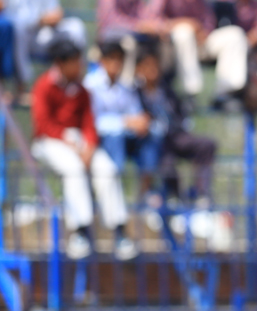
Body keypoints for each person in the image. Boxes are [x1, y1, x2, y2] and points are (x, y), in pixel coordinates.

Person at [30, 39, 132, 260]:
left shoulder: (82, 90)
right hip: (50, 141)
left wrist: (89, 145)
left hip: (79, 141)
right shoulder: (44, 85)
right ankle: (80, 230)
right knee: (74, 169)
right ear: (61, 63)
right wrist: (70, 142)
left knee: (107, 168)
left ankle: (119, 230)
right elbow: (43, 124)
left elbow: (89, 123)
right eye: (75, 62)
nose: (79, 66)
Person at [135, 47, 217, 206]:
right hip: (156, 141)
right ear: (139, 69)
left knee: (207, 144)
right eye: (147, 66)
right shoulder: (136, 94)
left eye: (155, 66)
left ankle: (201, 194)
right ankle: (175, 197)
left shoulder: (167, 89)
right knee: (167, 163)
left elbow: (179, 113)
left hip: (177, 135)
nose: (152, 70)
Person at [83, 40, 161, 204]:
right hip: (100, 139)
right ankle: (112, 195)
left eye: (119, 59)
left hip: (126, 136)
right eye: (112, 58)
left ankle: (146, 192)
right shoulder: (90, 84)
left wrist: (141, 122)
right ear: (102, 61)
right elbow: (92, 120)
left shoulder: (125, 86)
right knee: (115, 137)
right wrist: (123, 122)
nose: (116, 63)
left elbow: (135, 113)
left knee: (154, 134)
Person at [144, 0, 248, 104]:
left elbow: (209, 19)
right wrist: (185, 23)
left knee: (235, 34)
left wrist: (203, 32)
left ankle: (227, 93)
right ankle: (190, 92)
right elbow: (153, 21)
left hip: (201, 42)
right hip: (173, 45)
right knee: (184, 32)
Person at [0, 0, 86, 93]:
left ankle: (78, 78)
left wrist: (47, 19)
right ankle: (23, 85)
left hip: (43, 35)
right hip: (18, 39)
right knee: (18, 29)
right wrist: (40, 19)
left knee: (76, 26)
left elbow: (55, 13)